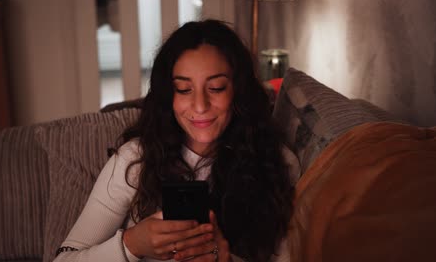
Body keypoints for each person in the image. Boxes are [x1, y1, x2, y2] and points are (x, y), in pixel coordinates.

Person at [54, 19, 295, 262]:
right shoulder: (135, 160)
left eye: (216, 87)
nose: (200, 106)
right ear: (169, 95)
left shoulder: (277, 162)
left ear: (238, 91)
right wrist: (131, 244)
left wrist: (226, 259)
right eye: (183, 89)